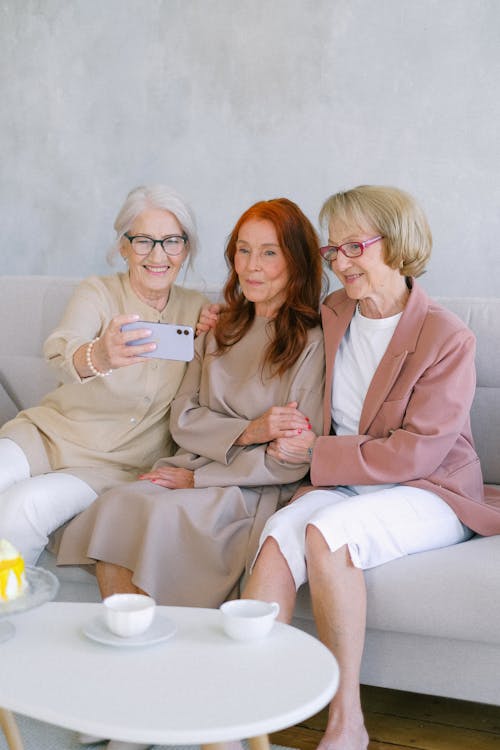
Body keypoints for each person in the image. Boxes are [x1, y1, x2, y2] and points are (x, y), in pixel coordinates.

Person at [241, 185, 500, 750]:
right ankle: (244, 717)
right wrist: (211, 312)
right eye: (334, 251)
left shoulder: (446, 336)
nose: (341, 263)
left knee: (326, 531)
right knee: (278, 535)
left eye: (354, 247)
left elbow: (418, 451)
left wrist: (317, 456)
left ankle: (346, 721)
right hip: (351, 482)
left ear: (397, 244)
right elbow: (263, 307)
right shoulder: (335, 312)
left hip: (429, 489)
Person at [57, 197, 325, 609]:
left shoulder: (313, 341)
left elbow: (289, 459)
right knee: (118, 504)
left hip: (249, 487)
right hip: (191, 466)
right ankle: (134, 650)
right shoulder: (220, 327)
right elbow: (183, 418)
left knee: (164, 516)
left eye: (269, 253)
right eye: (244, 250)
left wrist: (200, 480)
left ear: (297, 261)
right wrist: (251, 430)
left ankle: (167, 657)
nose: (252, 266)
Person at [0, 184, 208, 565]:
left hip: (114, 465)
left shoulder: (199, 311)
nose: (158, 255)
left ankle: (7, 612)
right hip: (48, 435)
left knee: (19, 509)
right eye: (143, 241)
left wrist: (219, 330)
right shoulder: (97, 293)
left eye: (172, 242)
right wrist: (99, 355)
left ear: (186, 249)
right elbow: (62, 348)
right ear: (124, 246)